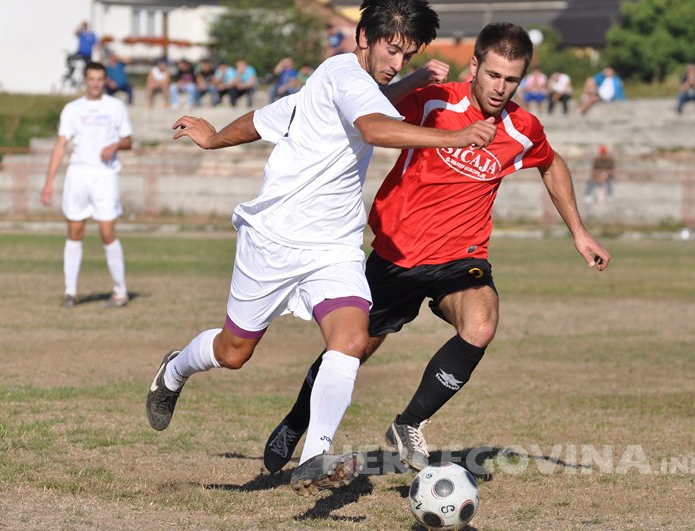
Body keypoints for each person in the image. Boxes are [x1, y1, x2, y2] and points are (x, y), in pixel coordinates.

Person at [145, 0, 497, 497]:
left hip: (332, 245)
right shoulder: (347, 80)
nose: (396, 61)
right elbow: (373, 128)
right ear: (363, 39)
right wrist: (457, 136)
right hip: (275, 239)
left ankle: (315, 456)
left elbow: (269, 117)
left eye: (407, 54)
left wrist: (217, 138)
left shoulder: (337, 80)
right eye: (391, 50)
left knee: (351, 339)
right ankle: (175, 368)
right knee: (233, 351)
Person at [262, 22, 611, 475]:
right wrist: (412, 80)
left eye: (512, 80)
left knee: (481, 322)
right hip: (396, 255)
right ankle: (297, 421)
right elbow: (369, 110)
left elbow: (551, 163)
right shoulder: (435, 100)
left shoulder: (523, 128)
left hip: (460, 259)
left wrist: (579, 232)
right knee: (351, 352)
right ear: (475, 66)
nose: (501, 88)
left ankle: (409, 423)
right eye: (494, 76)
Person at [40, 62, 133, 309]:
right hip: (78, 175)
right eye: (91, 78)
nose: (95, 83)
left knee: (107, 232)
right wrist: (48, 182)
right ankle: (70, 291)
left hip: (104, 176)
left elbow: (128, 140)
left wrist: (115, 146)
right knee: (74, 231)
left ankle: (120, 291)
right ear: (85, 80)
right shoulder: (72, 109)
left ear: (105, 81)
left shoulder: (115, 107)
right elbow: (61, 144)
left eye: (99, 78)